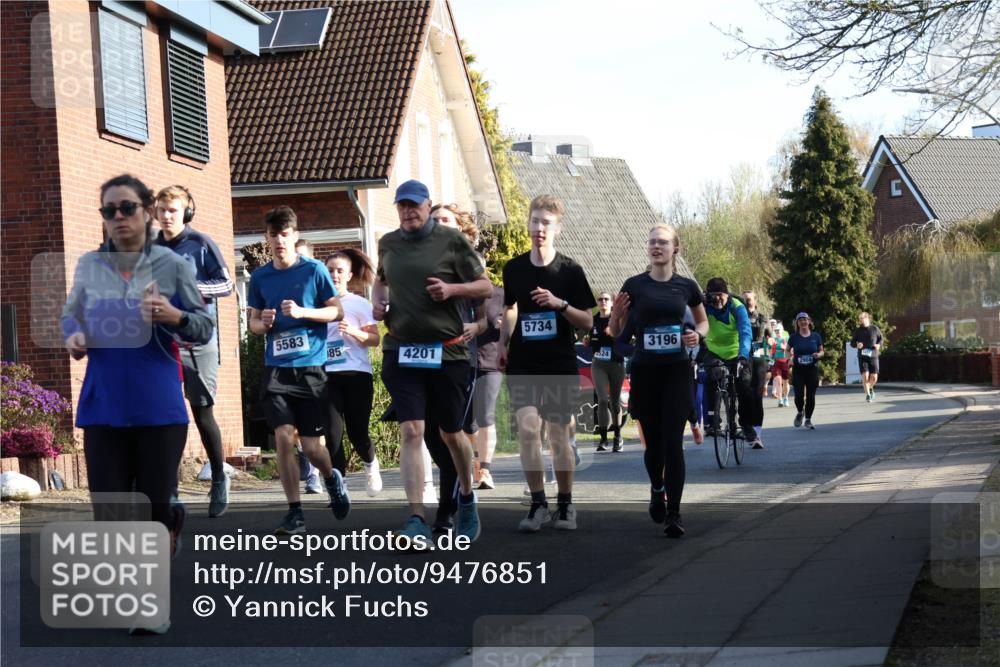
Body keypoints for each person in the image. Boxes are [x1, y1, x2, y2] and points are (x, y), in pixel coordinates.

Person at [63, 174, 214, 558]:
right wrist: (75, 336)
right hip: (103, 407)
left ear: (146, 212)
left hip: (157, 409)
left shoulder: (173, 265)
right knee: (109, 514)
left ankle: (166, 525)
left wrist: (173, 315)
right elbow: (71, 316)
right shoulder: (90, 266)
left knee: (153, 508)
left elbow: (203, 326)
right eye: (109, 210)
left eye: (127, 208)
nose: (118, 216)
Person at [374, 180, 492, 545]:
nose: (408, 212)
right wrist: (379, 302)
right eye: (402, 206)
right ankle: (415, 518)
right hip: (402, 351)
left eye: (414, 205)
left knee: (450, 433)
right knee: (411, 430)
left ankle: (467, 500)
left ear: (427, 206)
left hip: (448, 352)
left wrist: (452, 289)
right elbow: (380, 281)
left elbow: (485, 287)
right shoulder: (388, 243)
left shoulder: (451, 241)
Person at [247, 206, 349, 534]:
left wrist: (305, 311)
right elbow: (253, 324)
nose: (279, 240)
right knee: (281, 438)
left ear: (294, 235)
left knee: (312, 448)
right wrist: (262, 323)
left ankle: (331, 478)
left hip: (310, 369)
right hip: (276, 369)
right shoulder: (261, 277)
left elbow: (336, 312)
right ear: (267, 237)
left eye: (285, 233)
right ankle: (295, 512)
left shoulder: (314, 270)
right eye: (273, 234)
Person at [500, 195, 596, 533]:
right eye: (535, 221)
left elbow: (586, 322)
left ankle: (566, 504)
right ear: (528, 223)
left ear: (557, 229)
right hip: (524, 361)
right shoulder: (513, 269)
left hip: (558, 362)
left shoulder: (570, 271)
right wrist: (502, 343)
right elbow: (510, 308)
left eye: (546, 223)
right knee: (527, 430)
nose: (539, 228)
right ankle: (538, 503)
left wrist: (559, 304)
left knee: (557, 435)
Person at [609, 225, 707, 537]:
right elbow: (618, 336)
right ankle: (656, 487)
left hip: (677, 371)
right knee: (653, 447)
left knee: (672, 444)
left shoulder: (687, 286)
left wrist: (696, 335)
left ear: (674, 249)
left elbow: (702, 322)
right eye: (651, 241)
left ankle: (674, 513)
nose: (656, 246)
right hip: (646, 373)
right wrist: (633, 345)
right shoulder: (634, 286)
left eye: (662, 242)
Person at [153, 185, 234, 516]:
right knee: (165, 414)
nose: (167, 215)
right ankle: (169, 490)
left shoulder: (201, 244)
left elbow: (227, 284)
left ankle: (218, 477)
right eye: (162, 209)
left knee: (201, 410)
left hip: (197, 337)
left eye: (173, 210)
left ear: (186, 212)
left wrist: (190, 288)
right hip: (159, 340)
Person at [420, 203, 487, 534]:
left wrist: (479, 326)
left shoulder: (469, 262)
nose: (439, 225)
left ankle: (450, 509)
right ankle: (460, 493)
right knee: (432, 435)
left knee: (451, 432)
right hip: (421, 356)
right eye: (434, 222)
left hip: (460, 356)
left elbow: (488, 310)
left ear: (461, 228)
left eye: (445, 220)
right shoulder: (417, 259)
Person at [324, 249, 383, 496]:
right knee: (332, 435)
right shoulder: (317, 304)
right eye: (330, 271)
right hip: (327, 374)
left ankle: (370, 464)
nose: (335, 275)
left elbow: (375, 339)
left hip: (357, 374)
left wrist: (354, 333)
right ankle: (340, 487)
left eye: (340, 271)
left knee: (357, 432)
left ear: (349, 275)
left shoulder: (359, 303)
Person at [702, 278, 754, 441]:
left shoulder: (737, 307)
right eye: (713, 296)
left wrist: (743, 355)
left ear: (727, 294)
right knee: (713, 377)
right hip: (714, 352)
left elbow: (745, 332)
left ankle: (745, 425)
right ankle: (712, 422)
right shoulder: (704, 307)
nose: (717, 300)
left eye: (720, 296)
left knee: (744, 387)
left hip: (737, 352)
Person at [588, 292, 626, 452]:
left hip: (616, 363)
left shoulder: (618, 319)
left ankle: (617, 436)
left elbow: (626, 338)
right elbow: (588, 337)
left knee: (615, 401)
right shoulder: (593, 320)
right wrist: (587, 341)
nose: (603, 302)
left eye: (606, 299)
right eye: (600, 299)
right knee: (602, 399)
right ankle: (603, 438)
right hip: (599, 364)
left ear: (612, 303)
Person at [741, 291, 771, 449]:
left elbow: (769, 337)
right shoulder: (738, 315)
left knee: (757, 396)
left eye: (749, 299)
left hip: (759, 359)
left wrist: (771, 342)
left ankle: (758, 435)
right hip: (744, 358)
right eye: (744, 299)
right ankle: (746, 426)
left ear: (755, 301)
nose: (747, 301)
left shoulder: (763, 318)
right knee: (745, 393)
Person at [788, 312, 824, 429]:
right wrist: (790, 358)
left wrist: (818, 355)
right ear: (797, 323)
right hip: (798, 369)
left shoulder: (816, 336)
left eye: (805, 319)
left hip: (811, 369)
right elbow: (787, 350)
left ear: (809, 321)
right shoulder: (793, 337)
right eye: (800, 320)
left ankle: (808, 419)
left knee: (811, 395)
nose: (803, 322)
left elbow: (822, 351)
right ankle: (800, 412)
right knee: (798, 395)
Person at [851, 311, 884, 402]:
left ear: (867, 318)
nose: (861, 321)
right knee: (865, 375)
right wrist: (857, 345)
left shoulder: (874, 328)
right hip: (862, 356)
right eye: (860, 319)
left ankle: (870, 388)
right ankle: (868, 395)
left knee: (874, 377)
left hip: (873, 355)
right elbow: (852, 343)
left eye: (862, 318)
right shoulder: (858, 330)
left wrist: (878, 345)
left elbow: (881, 339)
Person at [770, 321, 791, 407]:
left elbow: (790, 350)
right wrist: (771, 353)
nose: (777, 332)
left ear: (782, 331)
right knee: (778, 380)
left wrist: (785, 348)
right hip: (777, 363)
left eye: (778, 330)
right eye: (776, 331)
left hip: (785, 362)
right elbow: (771, 352)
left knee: (785, 382)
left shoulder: (786, 339)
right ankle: (780, 400)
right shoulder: (774, 340)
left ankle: (785, 398)